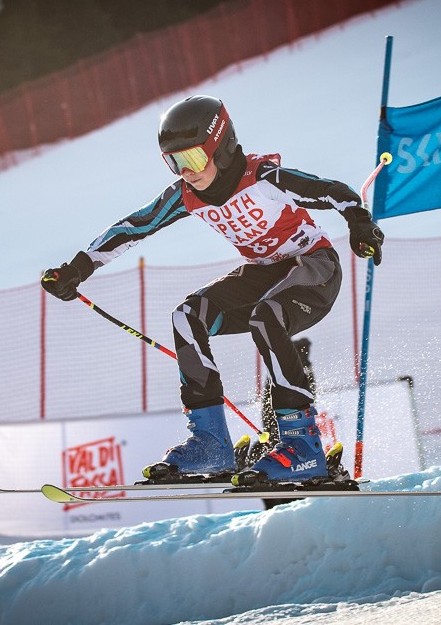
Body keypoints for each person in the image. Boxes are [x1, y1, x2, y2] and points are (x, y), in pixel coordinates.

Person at [42, 95, 383, 485]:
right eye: (174, 163)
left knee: (266, 317)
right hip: (263, 273)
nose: (185, 172)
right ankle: (210, 442)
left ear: (220, 146)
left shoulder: (261, 178)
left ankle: (303, 446)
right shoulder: (187, 195)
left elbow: (332, 191)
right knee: (187, 318)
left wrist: (359, 222)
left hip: (313, 268)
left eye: (192, 158)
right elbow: (134, 226)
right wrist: (77, 269)